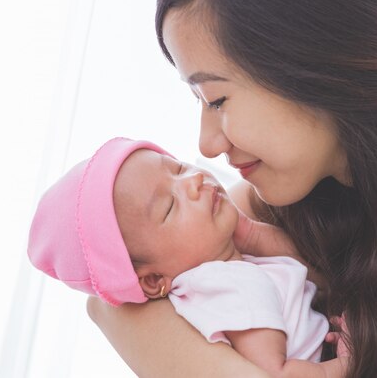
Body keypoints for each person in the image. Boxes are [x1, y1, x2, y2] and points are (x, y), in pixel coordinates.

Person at [86, 0, 377, 377]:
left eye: (216, 99)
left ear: (314, 61)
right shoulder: (295, 201)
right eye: (196, 98)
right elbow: (111, 299)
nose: (206, 145)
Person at [28, 137, 347, 377]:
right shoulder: (228, 285)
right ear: (153, 280)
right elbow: (277, 373)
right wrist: (350, 363)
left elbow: (310, 273)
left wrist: (250, 233)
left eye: (178, 168)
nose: (194, 181)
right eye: (169, 206)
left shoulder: (231, 265)